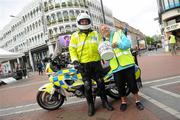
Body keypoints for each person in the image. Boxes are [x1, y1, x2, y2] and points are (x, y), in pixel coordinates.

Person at [69, 13, 113, 116]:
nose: (84, 22)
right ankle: (90, 105)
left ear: (89, 22)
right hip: (83, 65)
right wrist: (75, 61)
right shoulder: (75, 36)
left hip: (96, 63)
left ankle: (105, 102)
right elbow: (72, 49)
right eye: (82, 21)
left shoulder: (95, 34)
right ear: (79, 23)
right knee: (87, 86)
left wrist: (105, 53)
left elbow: (101, 45)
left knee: (101, 82)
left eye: (86, 21)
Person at [99, 24, 144, 112]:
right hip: (116, 67)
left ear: (109, 28)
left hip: (127, 64)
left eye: (106, 28)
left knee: (132, 84)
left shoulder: (119, 33)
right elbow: (106, 56)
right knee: (120, 86)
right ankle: (123, 102)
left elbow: (127, 44)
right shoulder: (103, 42)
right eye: (103, 29)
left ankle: (137, 101)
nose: (105, 30)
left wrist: (118, 44)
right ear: (101, 32)